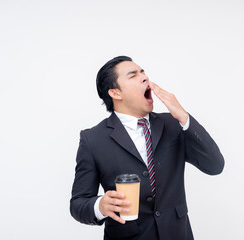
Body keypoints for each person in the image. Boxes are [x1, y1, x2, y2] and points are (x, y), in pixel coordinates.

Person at [70, 56, 224, 240]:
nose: (144, 77)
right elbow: (78, 203)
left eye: (143, 72)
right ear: (115, 93)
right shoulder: (93, 139)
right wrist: (100, 206)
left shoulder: (173, 124)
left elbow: (215, 165)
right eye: (133, 75)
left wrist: (184, 117)